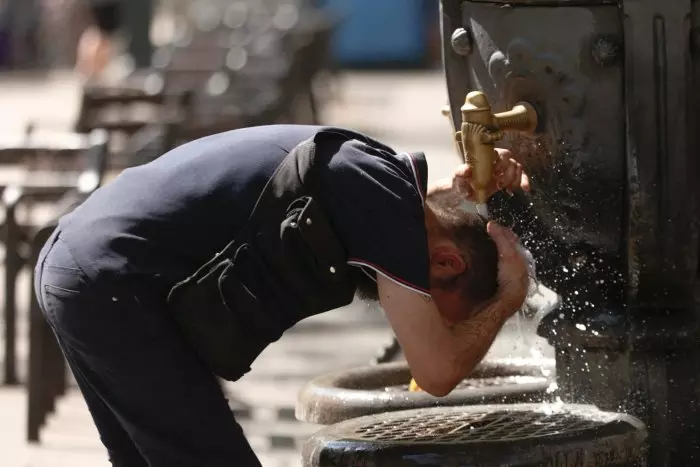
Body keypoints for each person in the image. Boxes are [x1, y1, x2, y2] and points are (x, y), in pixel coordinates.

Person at [34, 124, 530, 467]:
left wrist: (459, 191)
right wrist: (508, 297)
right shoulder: (384, 202)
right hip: (109, 280)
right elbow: (438, 372)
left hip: (78, 261)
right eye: (446, 318)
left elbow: (407, 220)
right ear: (447, 265)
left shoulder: (379, 187)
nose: (422, 325)